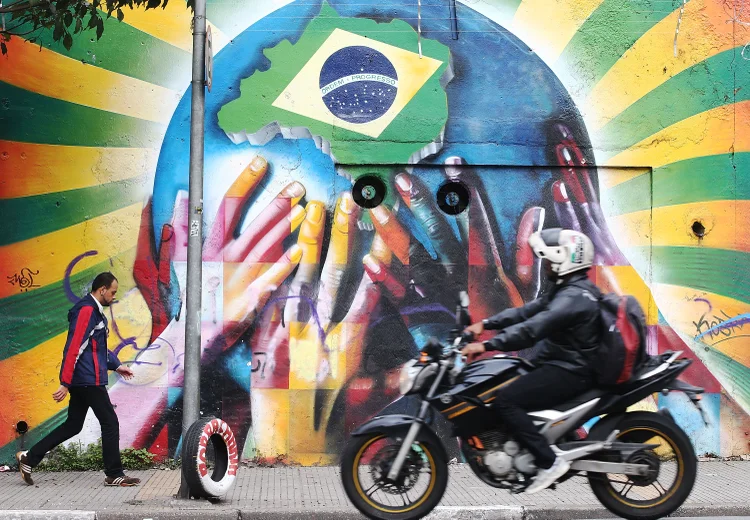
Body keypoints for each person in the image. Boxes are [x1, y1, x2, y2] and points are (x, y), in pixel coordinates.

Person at [461, 228, 601, 494]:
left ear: (564, 259)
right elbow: (527, 311)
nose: (545, 266)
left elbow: (531, 329)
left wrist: (487, 344)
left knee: (506, 400)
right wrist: (486, 324)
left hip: (570, 370)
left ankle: (549, 463)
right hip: (563, 365)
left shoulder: (572, 298)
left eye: (549, 260)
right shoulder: (569, 290)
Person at [16, 272, 140, 487]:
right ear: (101, 290)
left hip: (86, 378)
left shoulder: (93, 311)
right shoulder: (86, 311)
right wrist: (65, 382)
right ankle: (114, 474)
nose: (113, 296)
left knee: (73, 425)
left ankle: (29, 458)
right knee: (110, 423)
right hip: (88, 380)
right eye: (112, 292)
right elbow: (74, 347)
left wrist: (117, 365)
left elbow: (96, 347)